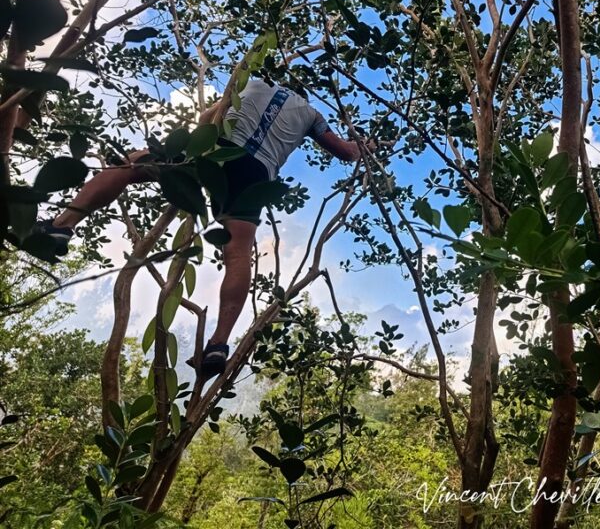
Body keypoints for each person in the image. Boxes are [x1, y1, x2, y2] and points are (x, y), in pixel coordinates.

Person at [38, 76, 371, 381]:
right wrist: (365, 146)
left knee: (129, 165)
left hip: (217, 150)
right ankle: (218, 344)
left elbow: (205, 119)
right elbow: (345, 152)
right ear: (305, 94)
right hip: (254, 174)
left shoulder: (251, 81)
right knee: (238, 253)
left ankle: (62, 225)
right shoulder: (312, 115)